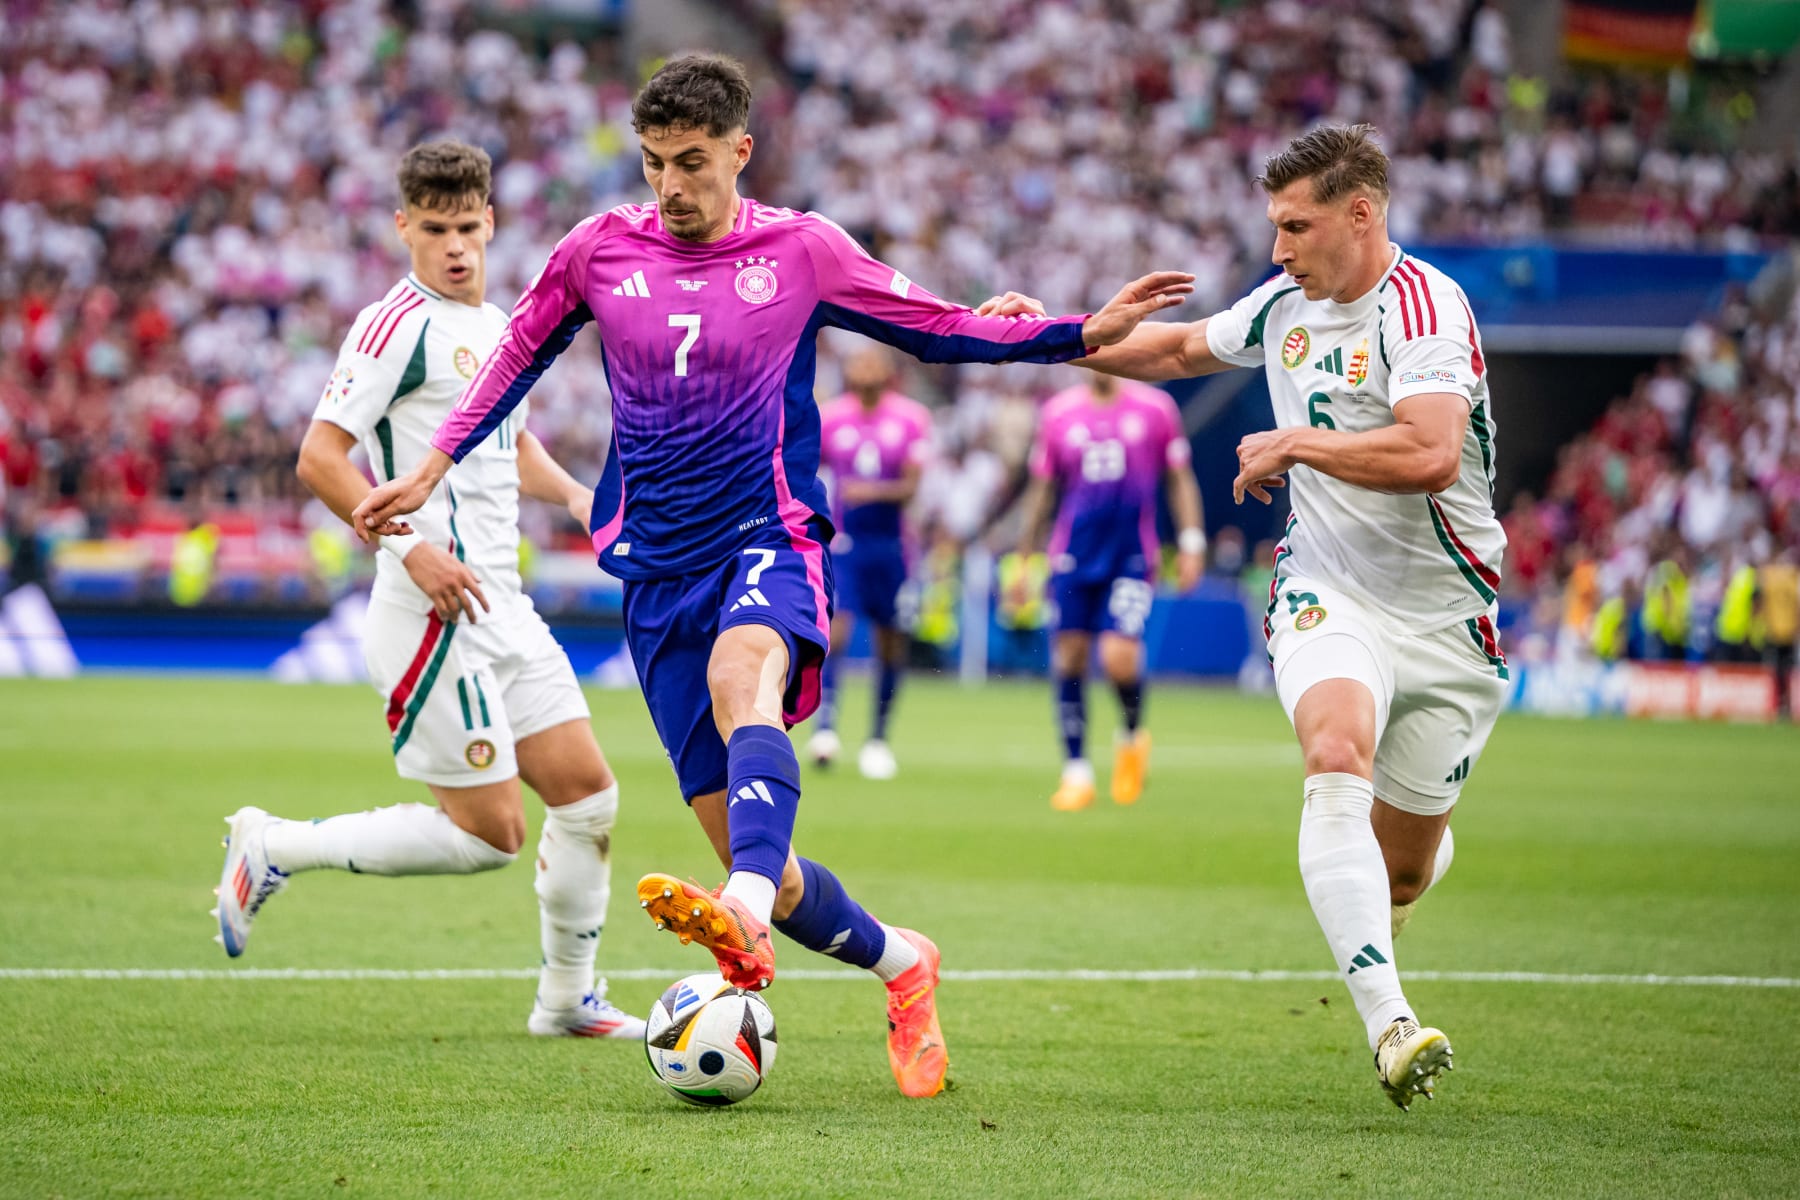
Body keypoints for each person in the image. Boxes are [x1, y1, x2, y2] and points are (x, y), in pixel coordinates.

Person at [348, 55, 1190, 1098]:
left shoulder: (802, 249)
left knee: (740, 681)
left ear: (740, 151)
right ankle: (901, 962)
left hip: (770, 532)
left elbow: (939, 329)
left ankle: (738, 910)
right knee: (771, 865)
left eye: (692, 162)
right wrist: (432, 464)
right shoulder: (597, 250)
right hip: (656, 569)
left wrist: (1075, 335)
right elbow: (516, 354)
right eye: (654, 162)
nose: (671, 185)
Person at [984, 123, 1500, 1110]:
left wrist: (1296, 442)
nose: (1277, 248)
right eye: (1274, 226)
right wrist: (1052, 335)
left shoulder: (1426, 307)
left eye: (1296, 227)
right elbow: (1179, 348)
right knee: (1335, 752)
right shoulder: (1282, 305)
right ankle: (1391, 1025)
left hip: (1448, 616)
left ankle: (1396, 867)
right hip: (1327, 587)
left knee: (1401, 876)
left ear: (1361, 214)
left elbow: (1432, 453)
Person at [213, 140, 643, 1041]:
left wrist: (575, 495)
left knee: (587, 797)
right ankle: (275, 844)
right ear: (402, 227)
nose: (455, 246)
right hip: (431, 613)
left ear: (491, 223)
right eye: (436, 229)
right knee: (491, 837)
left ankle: (566, 1000)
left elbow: (506, 441)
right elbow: (320, 458)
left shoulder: (497, 324)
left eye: (468, 228)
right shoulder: (392, 328)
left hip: (502, 604)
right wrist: (411, 551)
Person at [1012, 371, 1205, 810]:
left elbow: (1179, 478)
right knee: (1070, 656)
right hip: (1072, 554)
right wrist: (1023, 557)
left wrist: (1192, 542)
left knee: (1118, 658)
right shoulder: (1059, 413)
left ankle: (1132, 736)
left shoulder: (1155, 408)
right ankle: (1076, 770)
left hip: (1132, 556)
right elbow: (1043, 488)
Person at [806, 344, 932, 780]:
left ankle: (878, 738)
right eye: (859, 361)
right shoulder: (832, 417)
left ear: (888, 372)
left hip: (893, 545)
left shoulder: (911, 418)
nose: (865, 368)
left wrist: (870, 491)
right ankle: (825, 729)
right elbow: (805, 469)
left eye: (873, 362)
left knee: (891, 640)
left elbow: (912, 488)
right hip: (846, 543)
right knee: (835, 630)